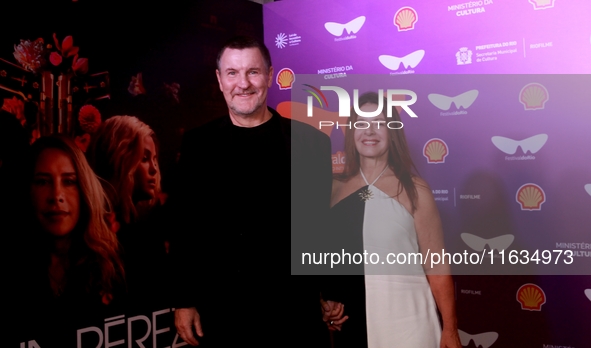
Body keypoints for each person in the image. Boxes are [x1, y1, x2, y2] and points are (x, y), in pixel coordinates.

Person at [169, 35, 333, 347]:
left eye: (253, 72)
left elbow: (321, 226)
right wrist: (183, 301)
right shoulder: (198, 145)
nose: (243, 83)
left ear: (270, 75)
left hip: (294, 313)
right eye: (232, 73)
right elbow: (184, 228)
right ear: (219, 80)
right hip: (222, 314)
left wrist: (331, 291)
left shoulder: (310, 143)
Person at [324, 92, 461, 347]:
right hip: (353, 327)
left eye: (379, 122)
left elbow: (437, 265)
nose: (370, 131)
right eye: (362, 123)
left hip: (410, 324)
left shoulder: (415, 190)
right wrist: (325, 302)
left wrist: (450, 329)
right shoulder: (333, 190)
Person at [14, 135, 125, 346]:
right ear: (27, 190)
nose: (56, 195)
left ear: (84, 189)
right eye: (43, 181)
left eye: (69, 181)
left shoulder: (114, 266)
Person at [87, 116, 171, 323]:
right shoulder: (98, 234)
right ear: (119, 160)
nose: (154, 169)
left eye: (155, 158)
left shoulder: (149, 229)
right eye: (144, 158)